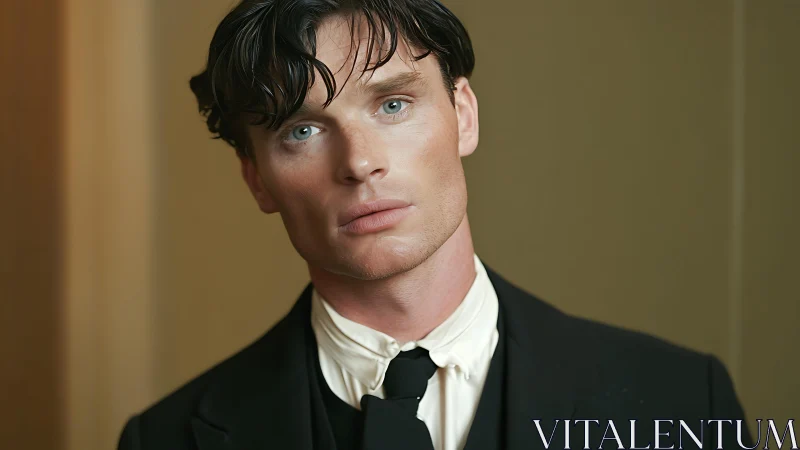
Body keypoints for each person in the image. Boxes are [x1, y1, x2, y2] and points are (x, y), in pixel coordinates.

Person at [118, 1, 751, 449]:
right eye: (302, 130)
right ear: (256, 177)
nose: (360, 162)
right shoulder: (167, 438)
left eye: (393, 104)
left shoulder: (680, 399)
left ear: (464, 114)